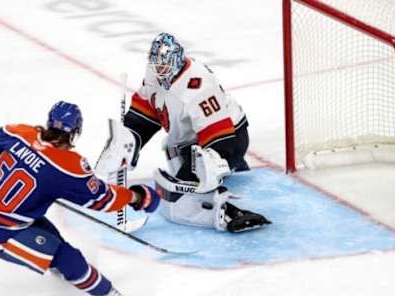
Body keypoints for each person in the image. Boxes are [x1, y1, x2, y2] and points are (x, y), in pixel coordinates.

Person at [0, 101, 160, 296]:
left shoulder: (20, 132)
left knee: (51, 236)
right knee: (66, 256)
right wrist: (138, 197)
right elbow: (104, 200)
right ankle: (109, 294)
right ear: (75, 133)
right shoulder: (67, 167)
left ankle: (62, 267)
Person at [96, 33, 270, 233]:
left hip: (228, 138)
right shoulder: (155, 74)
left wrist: (206, 173)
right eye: (156, 65)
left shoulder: (198, 84)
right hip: (191, 142)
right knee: (175, 163)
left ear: (177, 61)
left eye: (164, 67)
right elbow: (146, 112)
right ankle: (229, 170)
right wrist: (128, 140)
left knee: (182, 199)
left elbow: (221, 138)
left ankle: (229, 212)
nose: (159, 71)